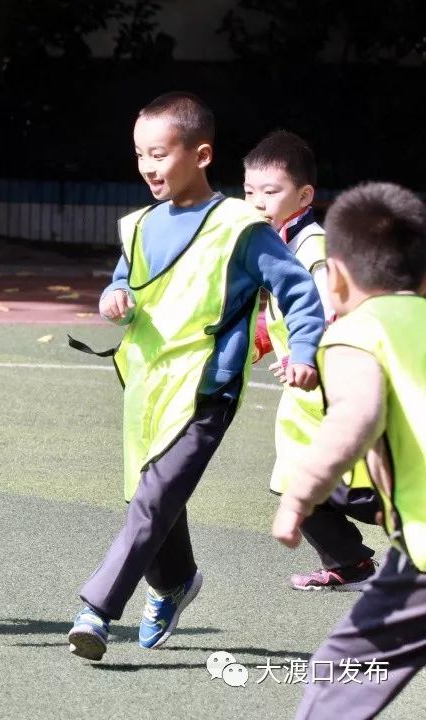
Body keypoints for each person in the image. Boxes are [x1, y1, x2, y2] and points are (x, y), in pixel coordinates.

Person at [66, 92, 326, 662]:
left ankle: (96, 612)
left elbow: (299, 290)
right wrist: (115, 300)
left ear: (201, 153)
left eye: (158, 153)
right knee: (151, 494)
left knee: (154, 498)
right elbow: (123, 284)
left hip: (208, 388)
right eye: (139, 155)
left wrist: (304, 349)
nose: (148, 167)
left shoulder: (241, 226)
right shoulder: (137, 226)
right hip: (146, 385)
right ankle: (176, 583)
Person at [271, 181, 426, 718]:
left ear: (334, 279)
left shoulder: (358, 333)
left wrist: (298, 496)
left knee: (342, 670)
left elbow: (355, 417)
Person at [243, 130, 378, 591]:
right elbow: (282, 310)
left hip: (329, 387)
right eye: (249, 191)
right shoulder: (277, 242)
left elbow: (323, 311)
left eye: (271, 191)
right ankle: (351, 564)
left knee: (349, 487)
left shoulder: (311, 247)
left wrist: (308, 357)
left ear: (304, 195)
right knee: (295, 482)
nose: (258, 202)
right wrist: (261, 340)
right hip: (305, 393)